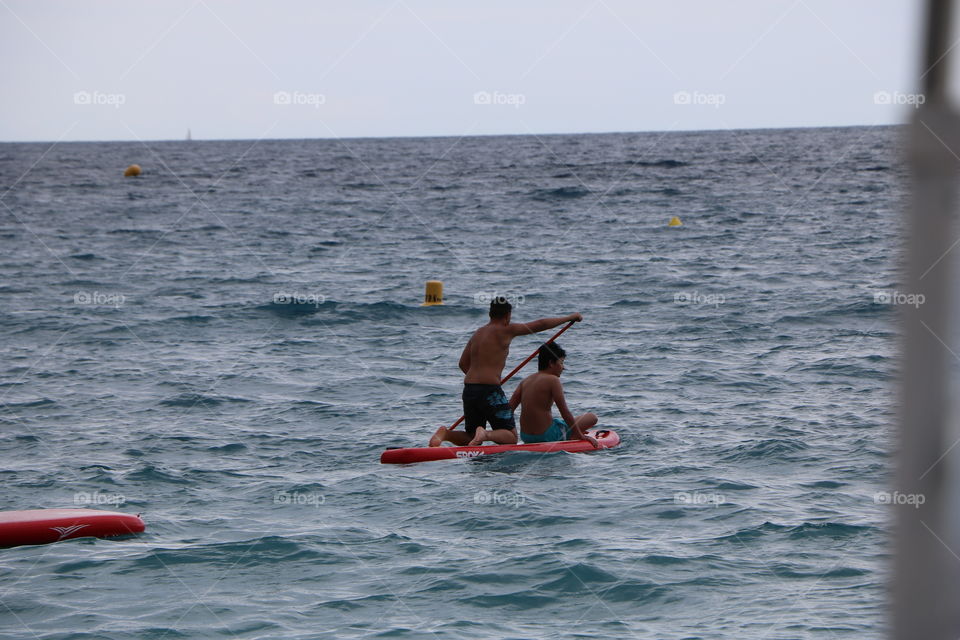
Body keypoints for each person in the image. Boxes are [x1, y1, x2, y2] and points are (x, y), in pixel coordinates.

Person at [429, 297, 582, 447]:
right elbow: (540, 324)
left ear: (490, 314)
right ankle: (486, 434)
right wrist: (570, 317)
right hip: (489, 390)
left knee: (471, 436)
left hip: (469, 389)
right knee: (510, 436)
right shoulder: (506, 330)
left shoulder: (478, 333)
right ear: (507, 316)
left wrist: (478, 380)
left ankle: (445, 434)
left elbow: (462, 363)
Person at [509, 342, 599, 447]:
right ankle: (571, 436)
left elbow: (509, 410)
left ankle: (567, 431)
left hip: (526, 436)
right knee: (592, 417)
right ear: (551, 363)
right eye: (561, 362)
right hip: (547, 436)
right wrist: (579, 435)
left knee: (558, 422)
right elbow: (565, 412)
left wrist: (510, 434)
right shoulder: (553, 380)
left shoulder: (525, 381)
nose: (563, 367)